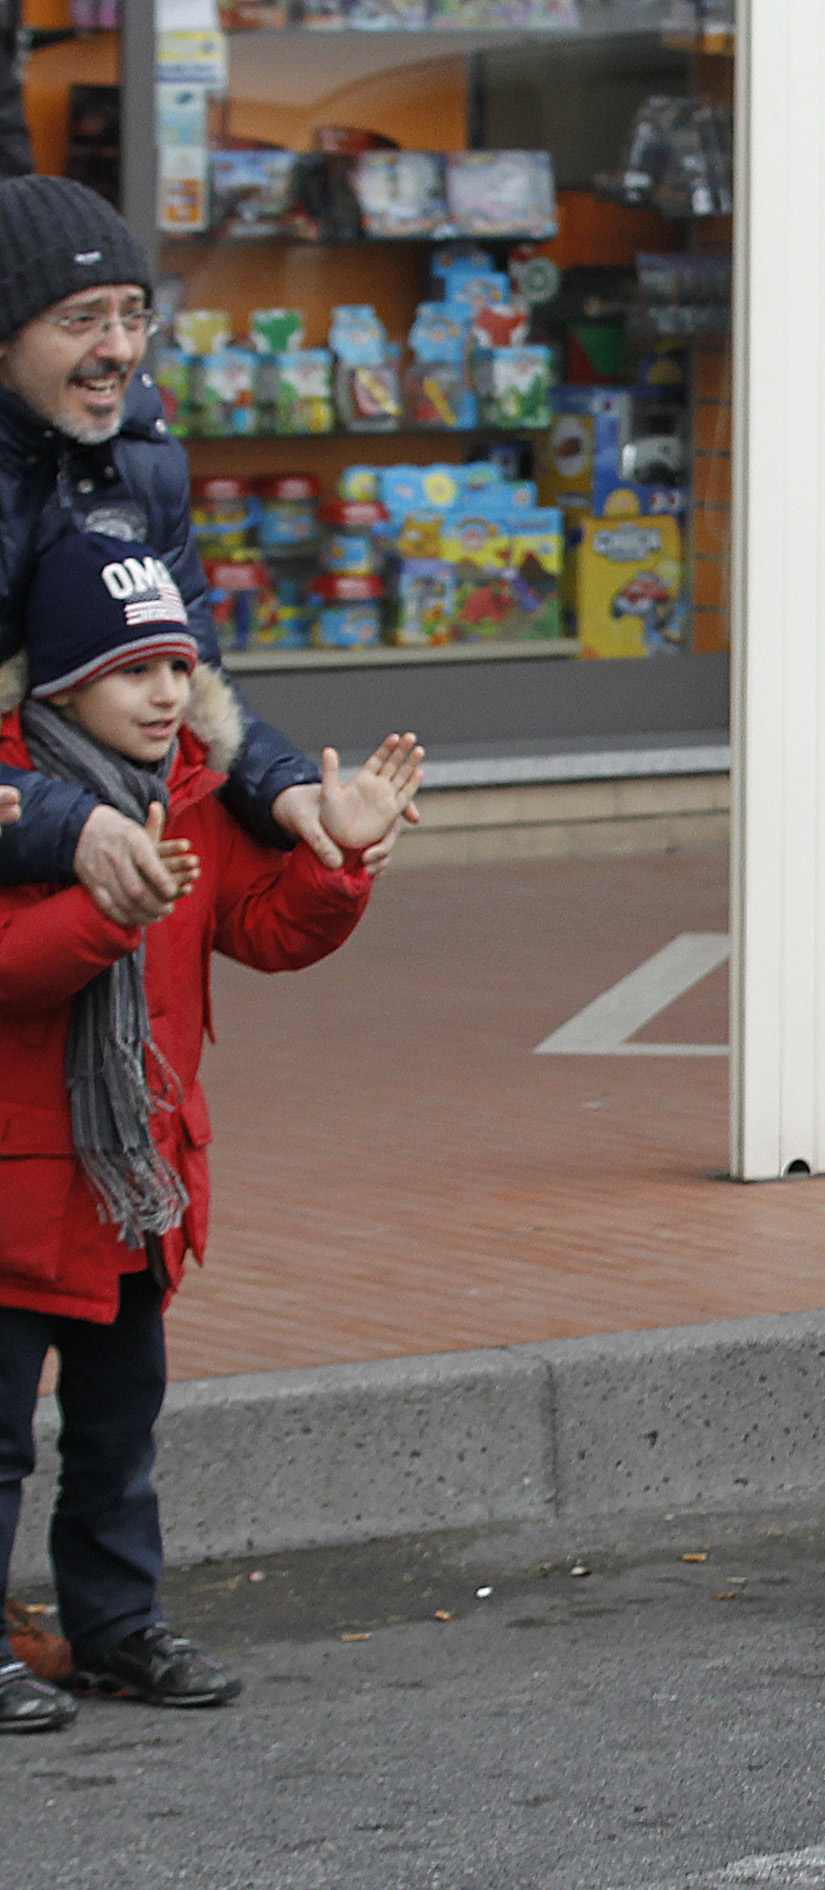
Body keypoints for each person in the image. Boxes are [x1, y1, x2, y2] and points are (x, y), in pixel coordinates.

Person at [0, 532, 418, 1734]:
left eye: (181, 666)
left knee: (117, 1439)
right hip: (23, 1193)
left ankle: (117, 1630)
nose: (170, 693)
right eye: (137, 671)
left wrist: (339, 856)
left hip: (135, 1191)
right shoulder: (19, 801)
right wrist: (103, 913)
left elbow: (265, 925)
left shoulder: (191, 784)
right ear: (65, 680)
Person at [0, 175, 370, 928]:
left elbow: (192, 681)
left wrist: (287, 794)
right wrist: (72, 826)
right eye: (82, 322)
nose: (119, 350)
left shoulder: (144, 461)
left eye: (135, 318)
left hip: (111, 878)